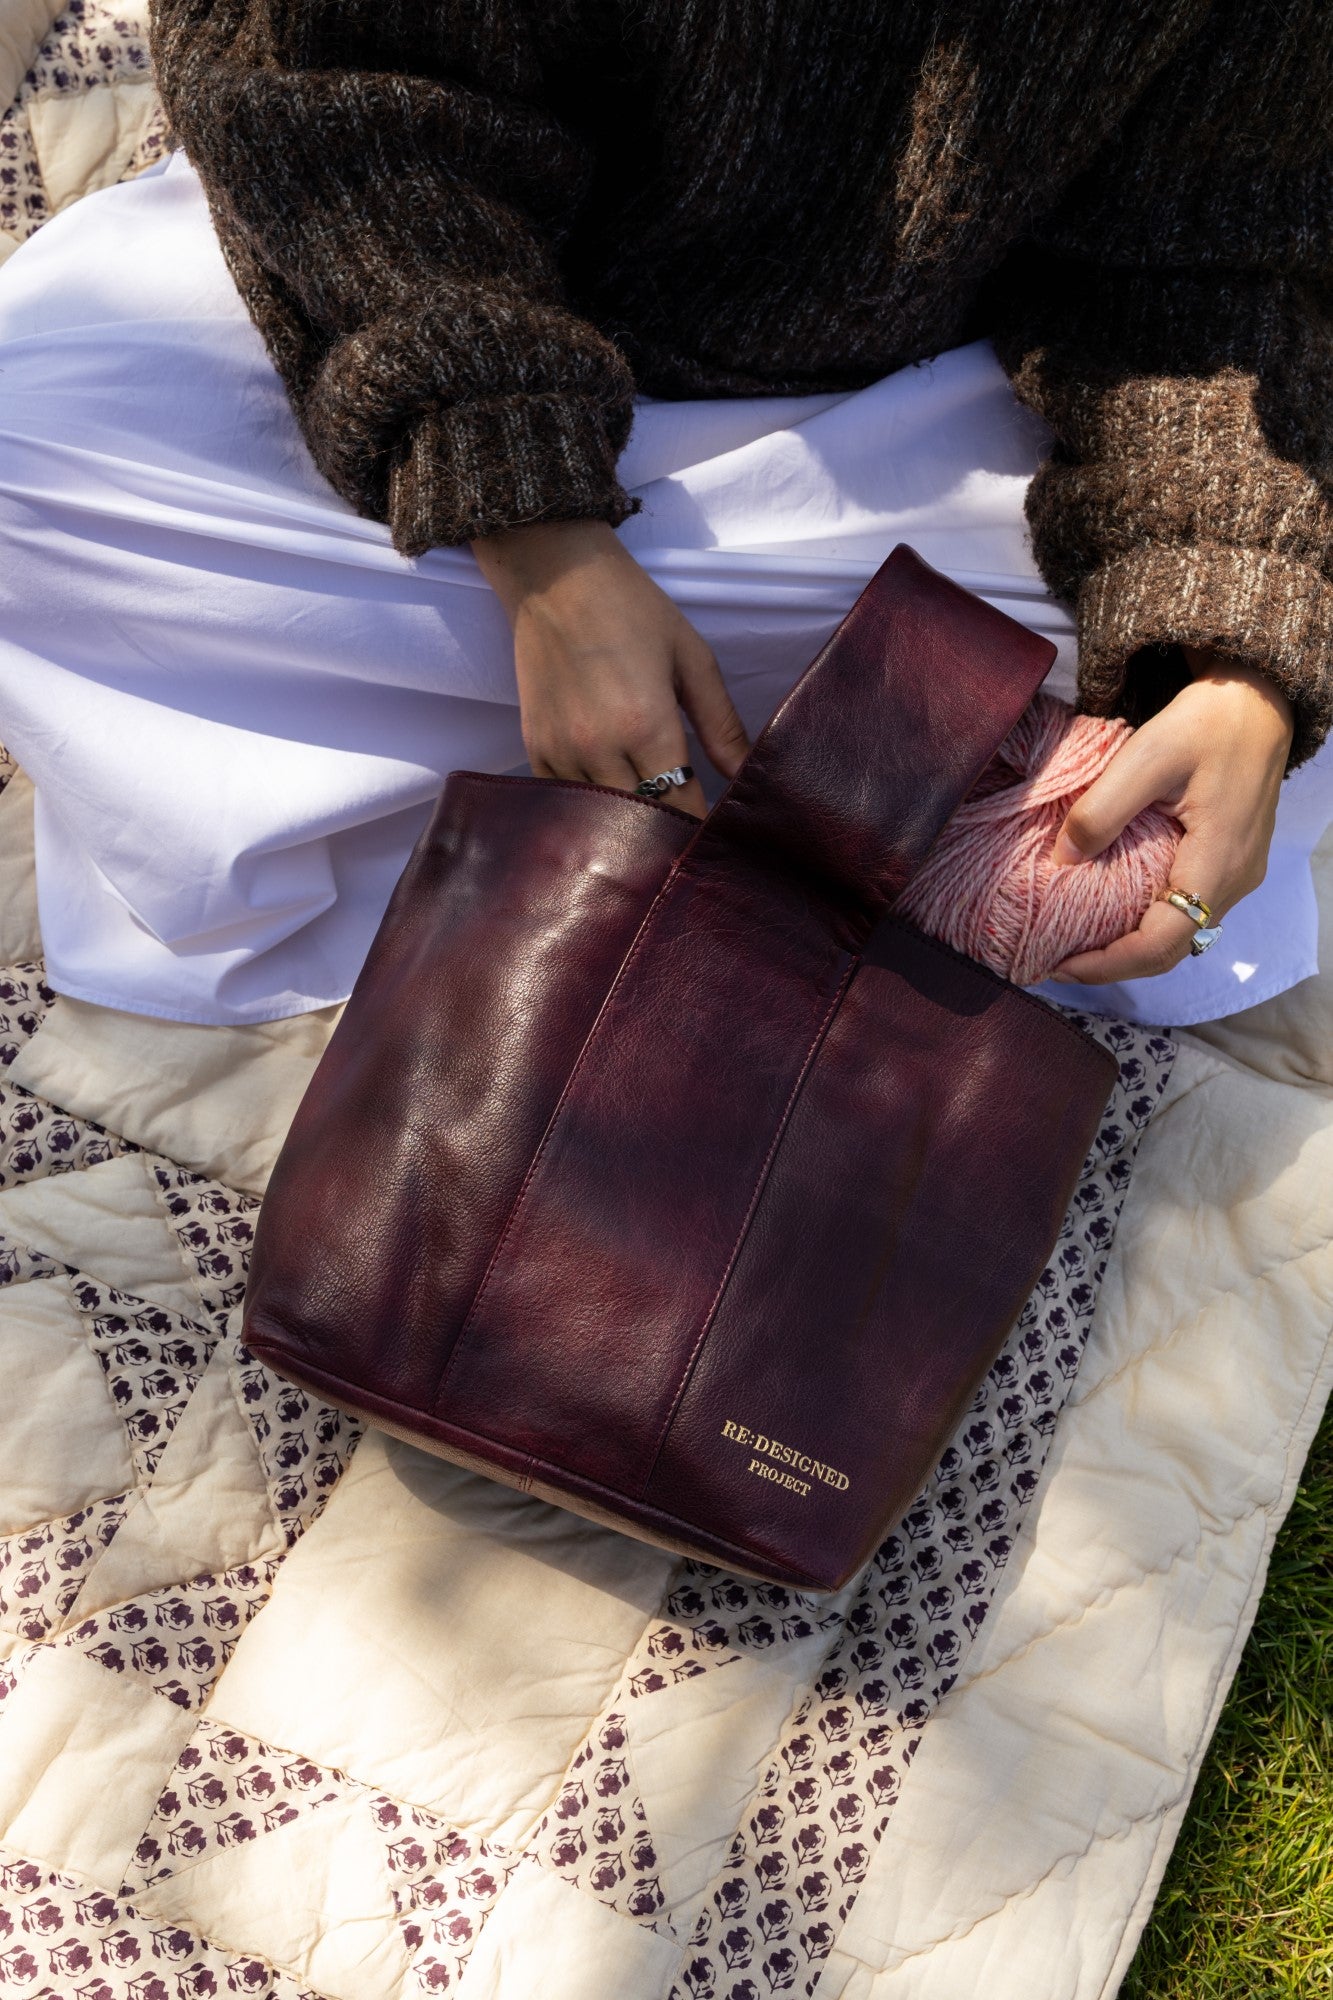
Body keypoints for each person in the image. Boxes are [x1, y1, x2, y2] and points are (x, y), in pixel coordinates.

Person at [0, 0, 1328, 1023]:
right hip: (472, 309)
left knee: (1259, 653)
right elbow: (332, 105)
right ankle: (832, 769)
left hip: (925, 411)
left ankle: (580, 736)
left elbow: (1218, 270)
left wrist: (1228, 643)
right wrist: (536, 538)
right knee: (30, 436)